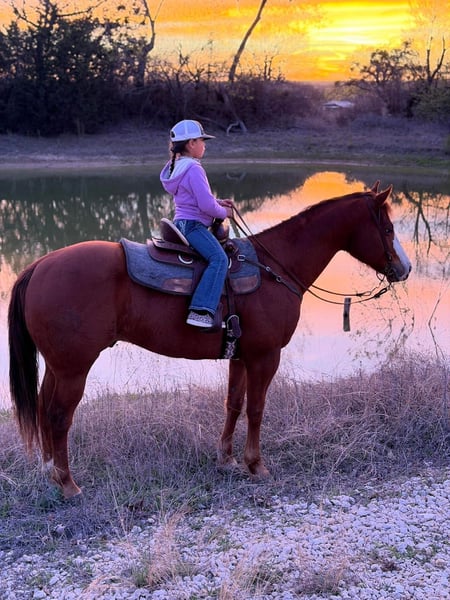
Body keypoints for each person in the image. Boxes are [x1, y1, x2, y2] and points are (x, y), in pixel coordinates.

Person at [160, 119, 234, 329]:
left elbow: (191, 199)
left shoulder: (177, 167)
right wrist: (224, 212)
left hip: (181, 223)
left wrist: (217, 202)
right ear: (191, 143)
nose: (204, 145)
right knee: (219, 259)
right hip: (193, 226)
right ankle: (200, 310)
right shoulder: (193, 168)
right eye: (202, 141)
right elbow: (205, 205)